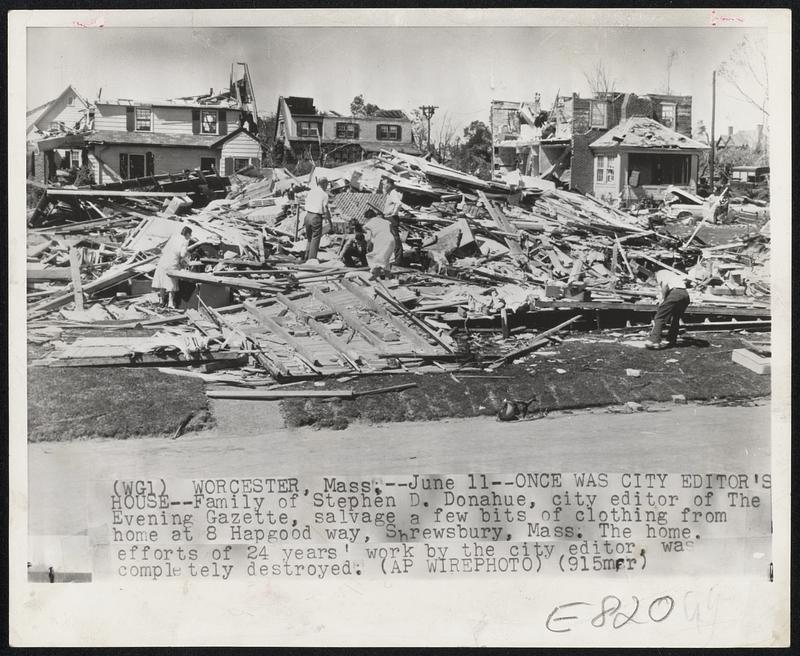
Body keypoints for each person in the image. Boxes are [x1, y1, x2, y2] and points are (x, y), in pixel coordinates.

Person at [645, 268, 691, 349]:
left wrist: (662, 299)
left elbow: (664, 285)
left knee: (659, 317)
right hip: (685, 295)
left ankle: (654, 341)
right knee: (675, 318)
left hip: (676, 293)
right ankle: (671, 340)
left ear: (654, 276)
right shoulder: (672, 275)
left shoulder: (659, 273)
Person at [152, 226, 193, 309]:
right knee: (171, 283)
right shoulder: (185, 241)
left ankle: (161, 301)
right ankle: (171, 303)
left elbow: (164, 250)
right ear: (187, 234)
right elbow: (182, 254)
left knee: (163, 282)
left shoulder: (174, 237)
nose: (190, 236)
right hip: (172, 263)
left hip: (163, 261)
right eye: (190, 235)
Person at [303, 177, 333, 262]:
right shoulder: (324, 194)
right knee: (315, 239)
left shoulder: (311, 191)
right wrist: (330, 222)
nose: (327, 186)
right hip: (316, 217)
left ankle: (306, 256)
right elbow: (326, 209)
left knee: (309, 238)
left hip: (307, 216)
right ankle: (311, 260)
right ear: (323, 184)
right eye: (326, 184)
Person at [363, 210, 396, 279]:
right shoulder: (385, 221)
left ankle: (375, 274)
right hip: (391, 239)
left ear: (367, 218)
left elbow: (368, 238)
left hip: (381, 239)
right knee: (386, 259)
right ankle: (388, 276)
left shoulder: (369, 224)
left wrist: (367, 242)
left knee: (372, 257)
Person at [381, 177, 404, 265]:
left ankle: (398, 261)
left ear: (389, 184)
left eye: (385, 184)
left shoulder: (393, 193)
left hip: (391, 218)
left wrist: (394, 213)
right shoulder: (389, 193)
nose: (383, 186)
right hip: (388, 218)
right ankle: (393, 258)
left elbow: (399, 203)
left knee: (395, 240)